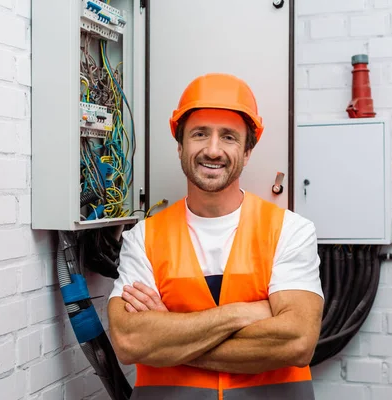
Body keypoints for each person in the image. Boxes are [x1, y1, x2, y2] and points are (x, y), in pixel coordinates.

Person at [107, 73, 324, 399]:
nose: (212, 149)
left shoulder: (290, 231)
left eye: (229, 137)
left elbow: (297, 342)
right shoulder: (143, 238)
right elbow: (130, 341)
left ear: (247, 152)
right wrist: (244, 313)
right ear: (180, 145)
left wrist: (170, 337)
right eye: (199, 134)